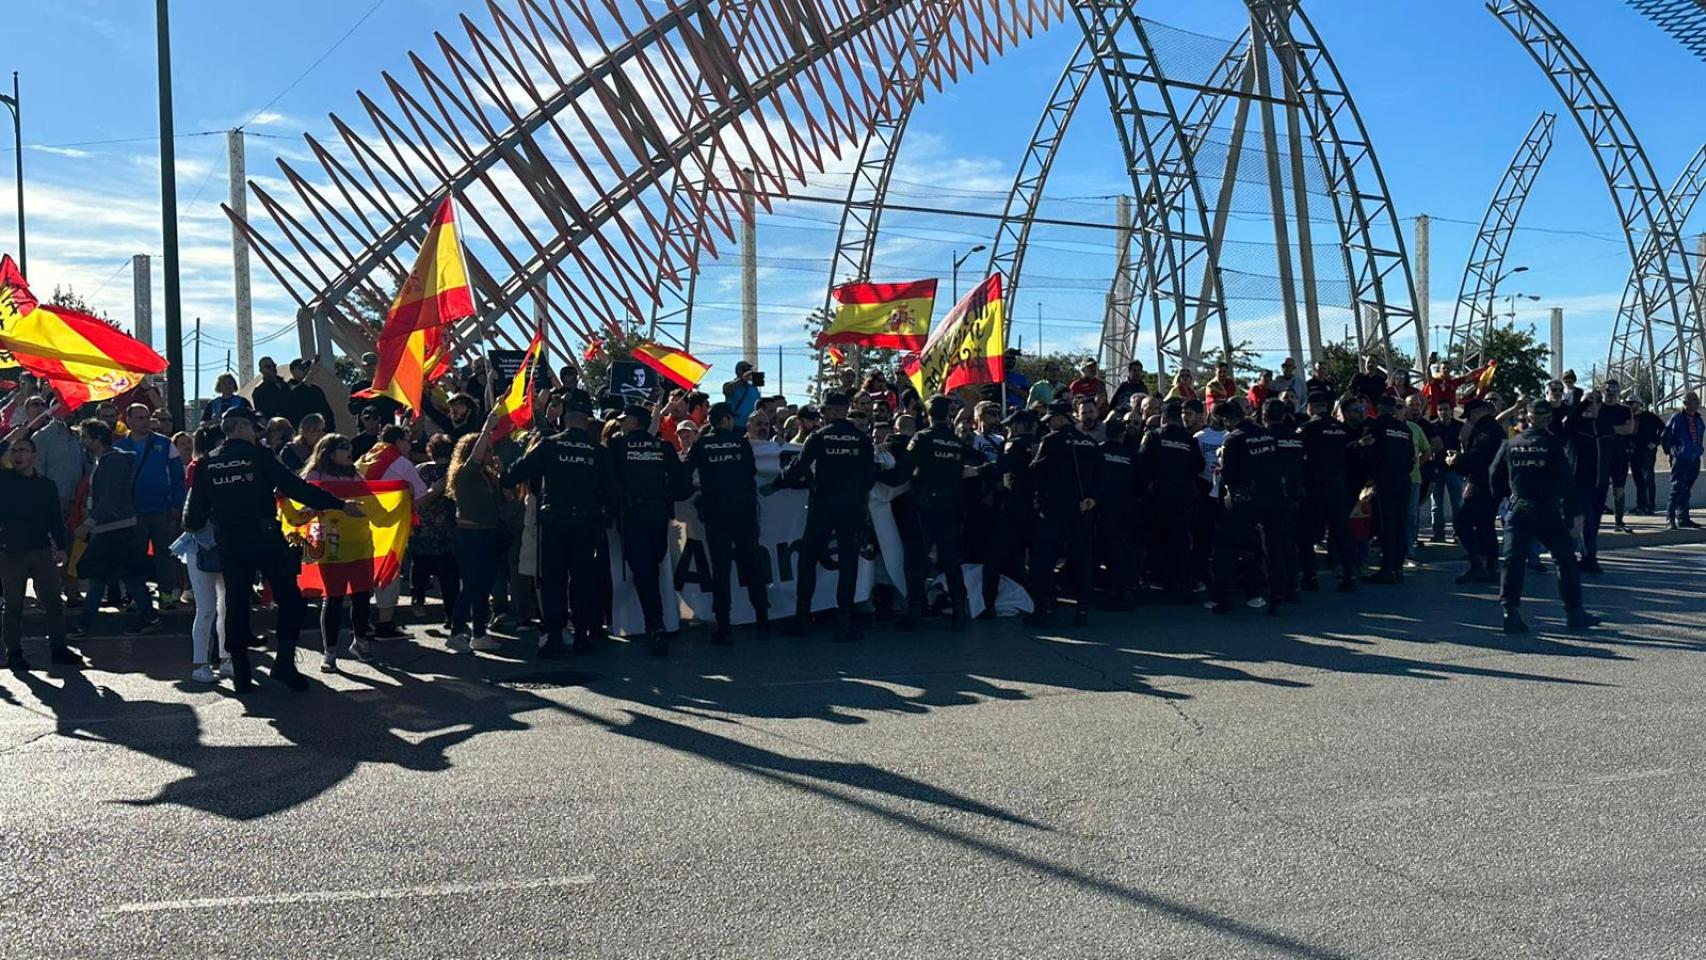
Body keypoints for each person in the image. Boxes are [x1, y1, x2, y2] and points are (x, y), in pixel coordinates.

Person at [186, 408, 361, 691]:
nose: (258, 433)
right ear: (242, 428)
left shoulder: (207, 465)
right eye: (254, 428)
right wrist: (340, 505)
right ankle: (284, 663)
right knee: (291, 600)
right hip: (264, 539)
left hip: (230, 542)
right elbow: (296, 487)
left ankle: (241, 672)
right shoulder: (260, 456)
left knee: (236, 604)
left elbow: (192, 519)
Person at [503, 389, 612, 657]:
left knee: (553, 580)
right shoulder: (597, 451)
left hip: (554, 524)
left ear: (564, 416)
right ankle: (582, 636)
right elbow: (611, 492)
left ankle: (553, 635)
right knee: (583, 579)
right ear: (587, 419)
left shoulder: (549, 445)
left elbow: (512, 474)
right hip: (587, 525)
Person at [765, 390, 875, 642]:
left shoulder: (819, 437)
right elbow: (870, 477)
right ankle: (844, 624)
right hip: (851, 508)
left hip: (822, 506)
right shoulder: (861, 439)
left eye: (825, 410)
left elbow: (797, 468)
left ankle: (803, 619)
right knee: (848, 564)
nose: (823, 415)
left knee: (808, 561)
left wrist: (775, 486)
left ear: (836, 410)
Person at [1492, 400, 1600, 634]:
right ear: (1549, 418)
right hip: (1547, 510)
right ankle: (1574, 613)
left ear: (1528, 418)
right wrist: (1574, 515)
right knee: (1565, 560)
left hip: (1519, 509)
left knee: (1513, 562)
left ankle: (1510, 613)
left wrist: (1507, 498)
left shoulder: (1511, 444)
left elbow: (1494, 477)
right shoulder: (1553, 446)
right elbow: (1566, 483)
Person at [686, 402, 770, 644]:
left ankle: (723, 627)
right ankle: (762, 621)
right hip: (743, 513)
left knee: (720, 571)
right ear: (725, 420)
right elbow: (751, 470)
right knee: (752, 565)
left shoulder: (702, 444)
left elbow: (688, 470)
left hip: (716, 514)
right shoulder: (740, 442)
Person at [607, 404, 686, 654]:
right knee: (652, 567)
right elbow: (683, 484)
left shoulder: (618, 447)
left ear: (634, 422)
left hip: (632, 515)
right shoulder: (664, 447)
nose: (621, 424)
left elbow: (609, 482)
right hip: (658, 514)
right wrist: (666, 498)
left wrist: (612, 510)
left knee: (642, 571)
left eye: (624, 420)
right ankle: (657, 622)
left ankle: (655, 625)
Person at [72, 420, 162, 638]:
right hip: (114, 527)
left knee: (100, 578)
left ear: (97, 439)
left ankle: (86, 626)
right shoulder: (108, 460)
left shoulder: (111, 462)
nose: (82, 441)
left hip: (112, 528)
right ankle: (150, 617)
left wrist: (89, 523)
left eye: (85, 437)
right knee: (124, 577)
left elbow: (110, 498)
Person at [0, 437, 80, 671]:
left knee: (54, 602)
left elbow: (56, 519)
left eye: (23, 451)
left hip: (41, 551)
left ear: (34, 456)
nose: (18, 455)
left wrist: (62, 547)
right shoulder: (3, 480)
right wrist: (9, 438)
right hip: (10, 552)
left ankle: (58, 648)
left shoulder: (46, 485)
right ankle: (14, 652)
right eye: (14, 451)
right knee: (14, 606)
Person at [901, 395, 980, 629]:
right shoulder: (956, 442)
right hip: (950, 508)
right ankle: (959, 612)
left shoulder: (922, 438)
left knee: (916, 560)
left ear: (927, 414)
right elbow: (977, 460)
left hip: (924, 508)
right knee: (950, 560)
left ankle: (915, 614)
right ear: (948, 415)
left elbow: (903, 470)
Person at [300, 434, 378, 670]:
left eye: (349, 446)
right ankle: (330, 652)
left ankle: (360, 641)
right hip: (332, 547)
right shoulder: (315, 477)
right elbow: (302, 504)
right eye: (344, 447)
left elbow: (374, 502)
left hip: (362, 544)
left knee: (362, 596)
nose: (349, 450)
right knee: (333, 599)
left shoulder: (356, 475)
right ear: (329, 452)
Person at [1027, 399, 1101, 627]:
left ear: (1060, 418)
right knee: (1081, 560)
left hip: (1054, 510)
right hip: (1082, 509)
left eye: (1050, 420)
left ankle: (1044, 606)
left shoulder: (1050, 441)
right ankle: (1082, 609)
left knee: (1044, 559)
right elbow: (1102, 476)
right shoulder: (1089, 442)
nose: (1049, 424)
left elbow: (1034, 473)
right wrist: (1092, 499)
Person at [357, 424, 431, 639]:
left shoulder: (367, 456)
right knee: (388, 573)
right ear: (399, 442)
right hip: (388, 525)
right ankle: (385, 623)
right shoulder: (401, 463)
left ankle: (362, 622)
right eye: (408, 442)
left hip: (362, 523)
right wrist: (437, 489)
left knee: (365, 572)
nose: (410, 446)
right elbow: (421, 498)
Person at [1209, 400, 1282, 614]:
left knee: (1226, 548)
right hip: (1272, 497)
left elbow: (1228, 475)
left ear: (1227, 419)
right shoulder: (1266, 434)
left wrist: (1221, 468)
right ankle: (1277, 597)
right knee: (1273, 547)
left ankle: (1223, 599)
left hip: (1244, 499)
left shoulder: (1234, 439)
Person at [171, 425, 230, 684]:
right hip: (201, 545)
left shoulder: (225, 470)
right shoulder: (199, 469)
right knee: (206, 608)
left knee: (225, 607)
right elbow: (193, 516)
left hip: (224, 545)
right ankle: (201, 662)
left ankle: (226, 658)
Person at [114, 403, 187, 609]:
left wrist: (176, 504)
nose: (144, 422)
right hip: (132, 513)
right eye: (139, 418)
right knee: (135, 558)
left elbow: (177, 477)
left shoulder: (165, 444)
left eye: (146, 417)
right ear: (128, 420)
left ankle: (167, 598)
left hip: (162, 511)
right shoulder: (120, 447)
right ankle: (138, 598)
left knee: (166, 557)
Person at [446, 413, 507, 653]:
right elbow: (475, 456)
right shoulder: (465, 474)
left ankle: (479, 633)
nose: (491, 455)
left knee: (484, 586)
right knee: (470, 585)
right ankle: (457, 632)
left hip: (489, 535)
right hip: (470, 536)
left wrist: (501, 474)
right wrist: (487, 428)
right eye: (488, 451)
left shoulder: (487, 477)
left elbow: (505, 499)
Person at [1139, 400, 1204, 602]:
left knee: (1157, 540)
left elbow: (1142, 464)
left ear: (1163, 418)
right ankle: (1183, 586)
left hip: (1158, 497)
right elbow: (1199, 465)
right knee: (1181, 542)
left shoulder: (1153, 436)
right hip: (1183, 496)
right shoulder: (1189, 439)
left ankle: (1162, 583)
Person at [1297, 392, 1357, 592]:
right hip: (1339, 486)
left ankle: (1310, 576)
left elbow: (1298, 455)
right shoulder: (1340, 429)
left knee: (1307, 534)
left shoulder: (1308, 428)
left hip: (1315, 486)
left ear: (1311, 408)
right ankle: (1350, 574)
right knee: (1342, 532)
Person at [982, 409, 1039, 615]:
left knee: (994, 557)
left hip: (1012, 507)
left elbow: (999, 467)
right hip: (1036, 508)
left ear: (1017, 426)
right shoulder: (1042, 444)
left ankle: (988, 603)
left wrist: (978, 470)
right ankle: (1040, 602)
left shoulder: (1012, 444)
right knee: (1035, 557)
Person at [1448, 398, 1506, 584]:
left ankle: (1478, 565)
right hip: (1494, 484)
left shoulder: (1486, 430)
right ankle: (1490, 567)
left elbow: (1480, 455)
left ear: (1477, 412)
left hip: (1482, 483)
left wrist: (1458, 460)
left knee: (1461, 522)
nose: (1469, 420)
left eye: (1470, 416)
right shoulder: (1494, 428)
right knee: (1485, 525)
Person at [1359, 395, 1415, 584]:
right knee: (1399, 525)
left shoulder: (1375, 427)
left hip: (1384, 481)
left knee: (1387, 526)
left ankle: (1387, 569)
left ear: (1378, 408)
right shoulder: (1405, 430)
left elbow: (1367, 452)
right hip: (1403, 481)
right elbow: (1411, 459)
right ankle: (1397, 568)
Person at [411, 433, 461, 633]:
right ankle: (451, 617)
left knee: (420, 567)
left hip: (422, 530)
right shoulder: (454, 472)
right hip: (448, 534)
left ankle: (419, 598)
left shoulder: (420, 471)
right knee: (450, 580)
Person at [1095, 416, 1143, 609]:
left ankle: (1113, 589)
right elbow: (1140, 483)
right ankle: (1122, 589)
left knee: (1102, 548)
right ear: (1123, 434)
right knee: (1122, 550)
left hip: (1101, 507)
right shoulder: (1132, 455)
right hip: (1125, 508)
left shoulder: (1098, 451)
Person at [1596, 380, 1636, 533]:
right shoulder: (1598, 409)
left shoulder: (1625, 410)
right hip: (1601, 455)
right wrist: (1616, 429)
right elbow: (1595, 429)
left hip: (1620, 454)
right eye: (1608, 391)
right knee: (1600, 488)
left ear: (1619, 392)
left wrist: (1608, 429)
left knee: (1619, 488)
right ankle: (1596, 520)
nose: (1611, 394)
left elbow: (1629, 429)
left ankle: (1619, 522)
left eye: (1614, 391)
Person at [1663, 391, 1703, 529]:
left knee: (1686, 489)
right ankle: (1670, 518)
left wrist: (1698, 451)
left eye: (1696, 401)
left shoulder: (1699, 420)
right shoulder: (1677, 418)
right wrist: (1670, 453)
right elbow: (1667, 436)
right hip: (1681, 458)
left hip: (1694, 458)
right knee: (1676, 488)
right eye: (1691, 401)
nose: (1694, 404)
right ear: (1685, 403)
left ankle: (1683, 518)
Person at [1428, 400, 1464, 544]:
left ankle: (1459, 533)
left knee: (1458, 504)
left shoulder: (1459, 426)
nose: (1443, 412)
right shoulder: (1432, 427)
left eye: (1446, 409)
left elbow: (1464, 446)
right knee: (1436, 505)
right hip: (1437, 470)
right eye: (1440, 409)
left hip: (1454, 470)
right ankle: (1438, 534)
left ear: (1451, 410)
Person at [348, 352, 405, 425]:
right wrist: (366, 401)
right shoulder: (358, 387)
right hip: (365, 430)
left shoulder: (388, 385)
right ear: (363, 366)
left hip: (386, 427)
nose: (371, 367)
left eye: (374, 364)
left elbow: (399, 405)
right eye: (368, 365)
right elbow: (352, 410)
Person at [1630, 398, 1664, 515]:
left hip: (1647, 451)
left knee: (1648, 477)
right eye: (1628, 403)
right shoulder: (1628, 417)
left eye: (1632, 403)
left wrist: (1655, 442)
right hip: (1633, 452)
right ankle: (1640, 505)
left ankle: (1650, 506)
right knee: (1638, 478)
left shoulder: (1649, 416)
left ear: (1639, 404)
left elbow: (1663, 429)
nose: (1630, 405)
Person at [285, 358, 338, 432]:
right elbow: (299, 393)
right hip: (302, 434)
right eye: (302, 368)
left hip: (321, 433)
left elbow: (327, 412)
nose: (306, 370)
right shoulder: (286, 389)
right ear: (293, 370)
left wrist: (329, 429)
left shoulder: (316, 389)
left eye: (308, 368)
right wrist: (312, 373)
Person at [721, 360, 763, 428]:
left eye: (749, 369)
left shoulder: (753, 388)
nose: (747, 371)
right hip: (735, 425)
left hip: (751, 425)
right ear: (737, 371)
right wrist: (742, 379)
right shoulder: (731, 385)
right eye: (744, 369)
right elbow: (727, 390)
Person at [251, 356, 292, 422]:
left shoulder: (285, 385)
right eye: (268, 367)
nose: (272, 368)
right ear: (261, 370)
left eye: (274, 365)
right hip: (274, 427)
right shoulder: (259, 390)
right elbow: (261, 413)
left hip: (291, 424)